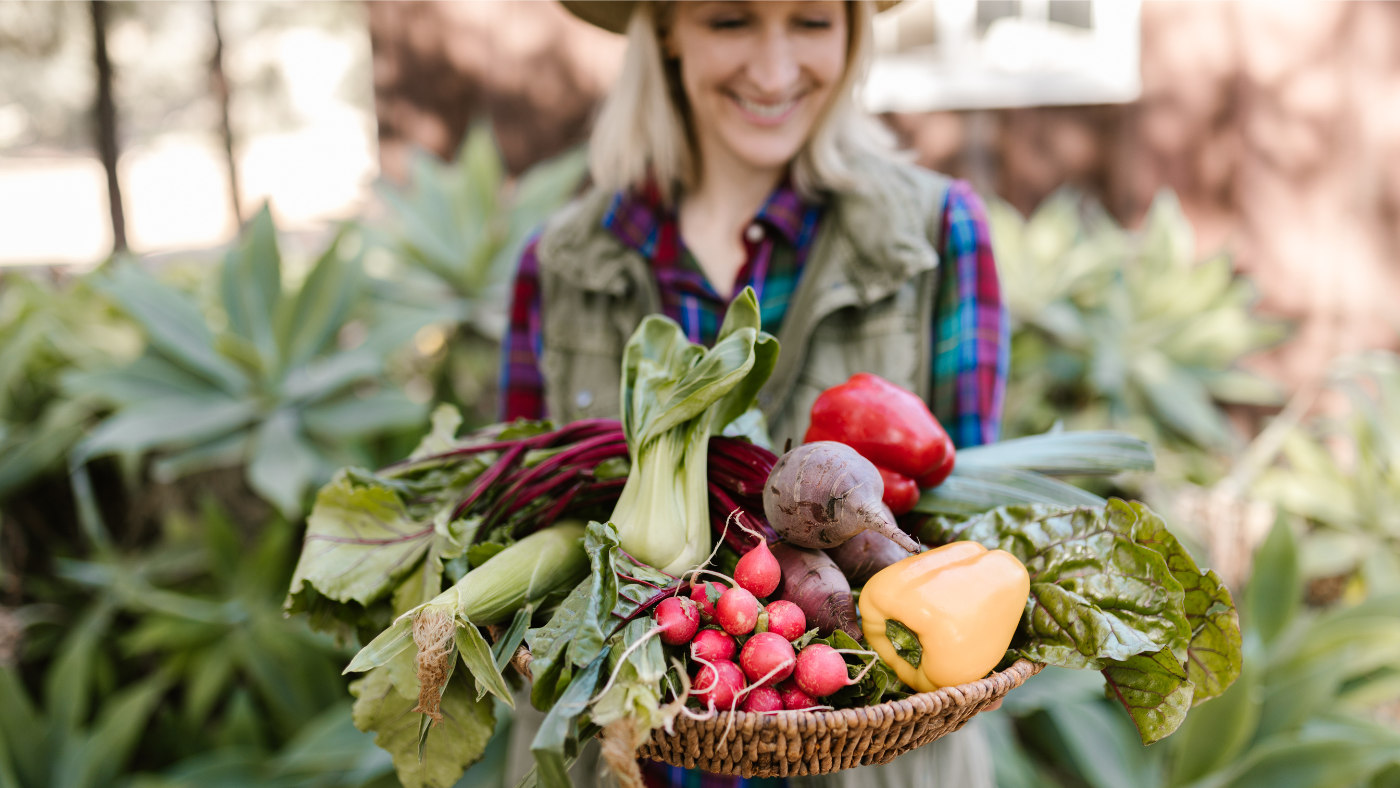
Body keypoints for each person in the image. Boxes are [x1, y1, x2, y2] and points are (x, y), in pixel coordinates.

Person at [498, 2, 1008, 786]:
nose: (773, 70)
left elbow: (966, 542)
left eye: (809, 21)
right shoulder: (558, 263)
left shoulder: (940, 235)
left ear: (851, 30)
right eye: (730, 21)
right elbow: (520, 524)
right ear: (666, 29)